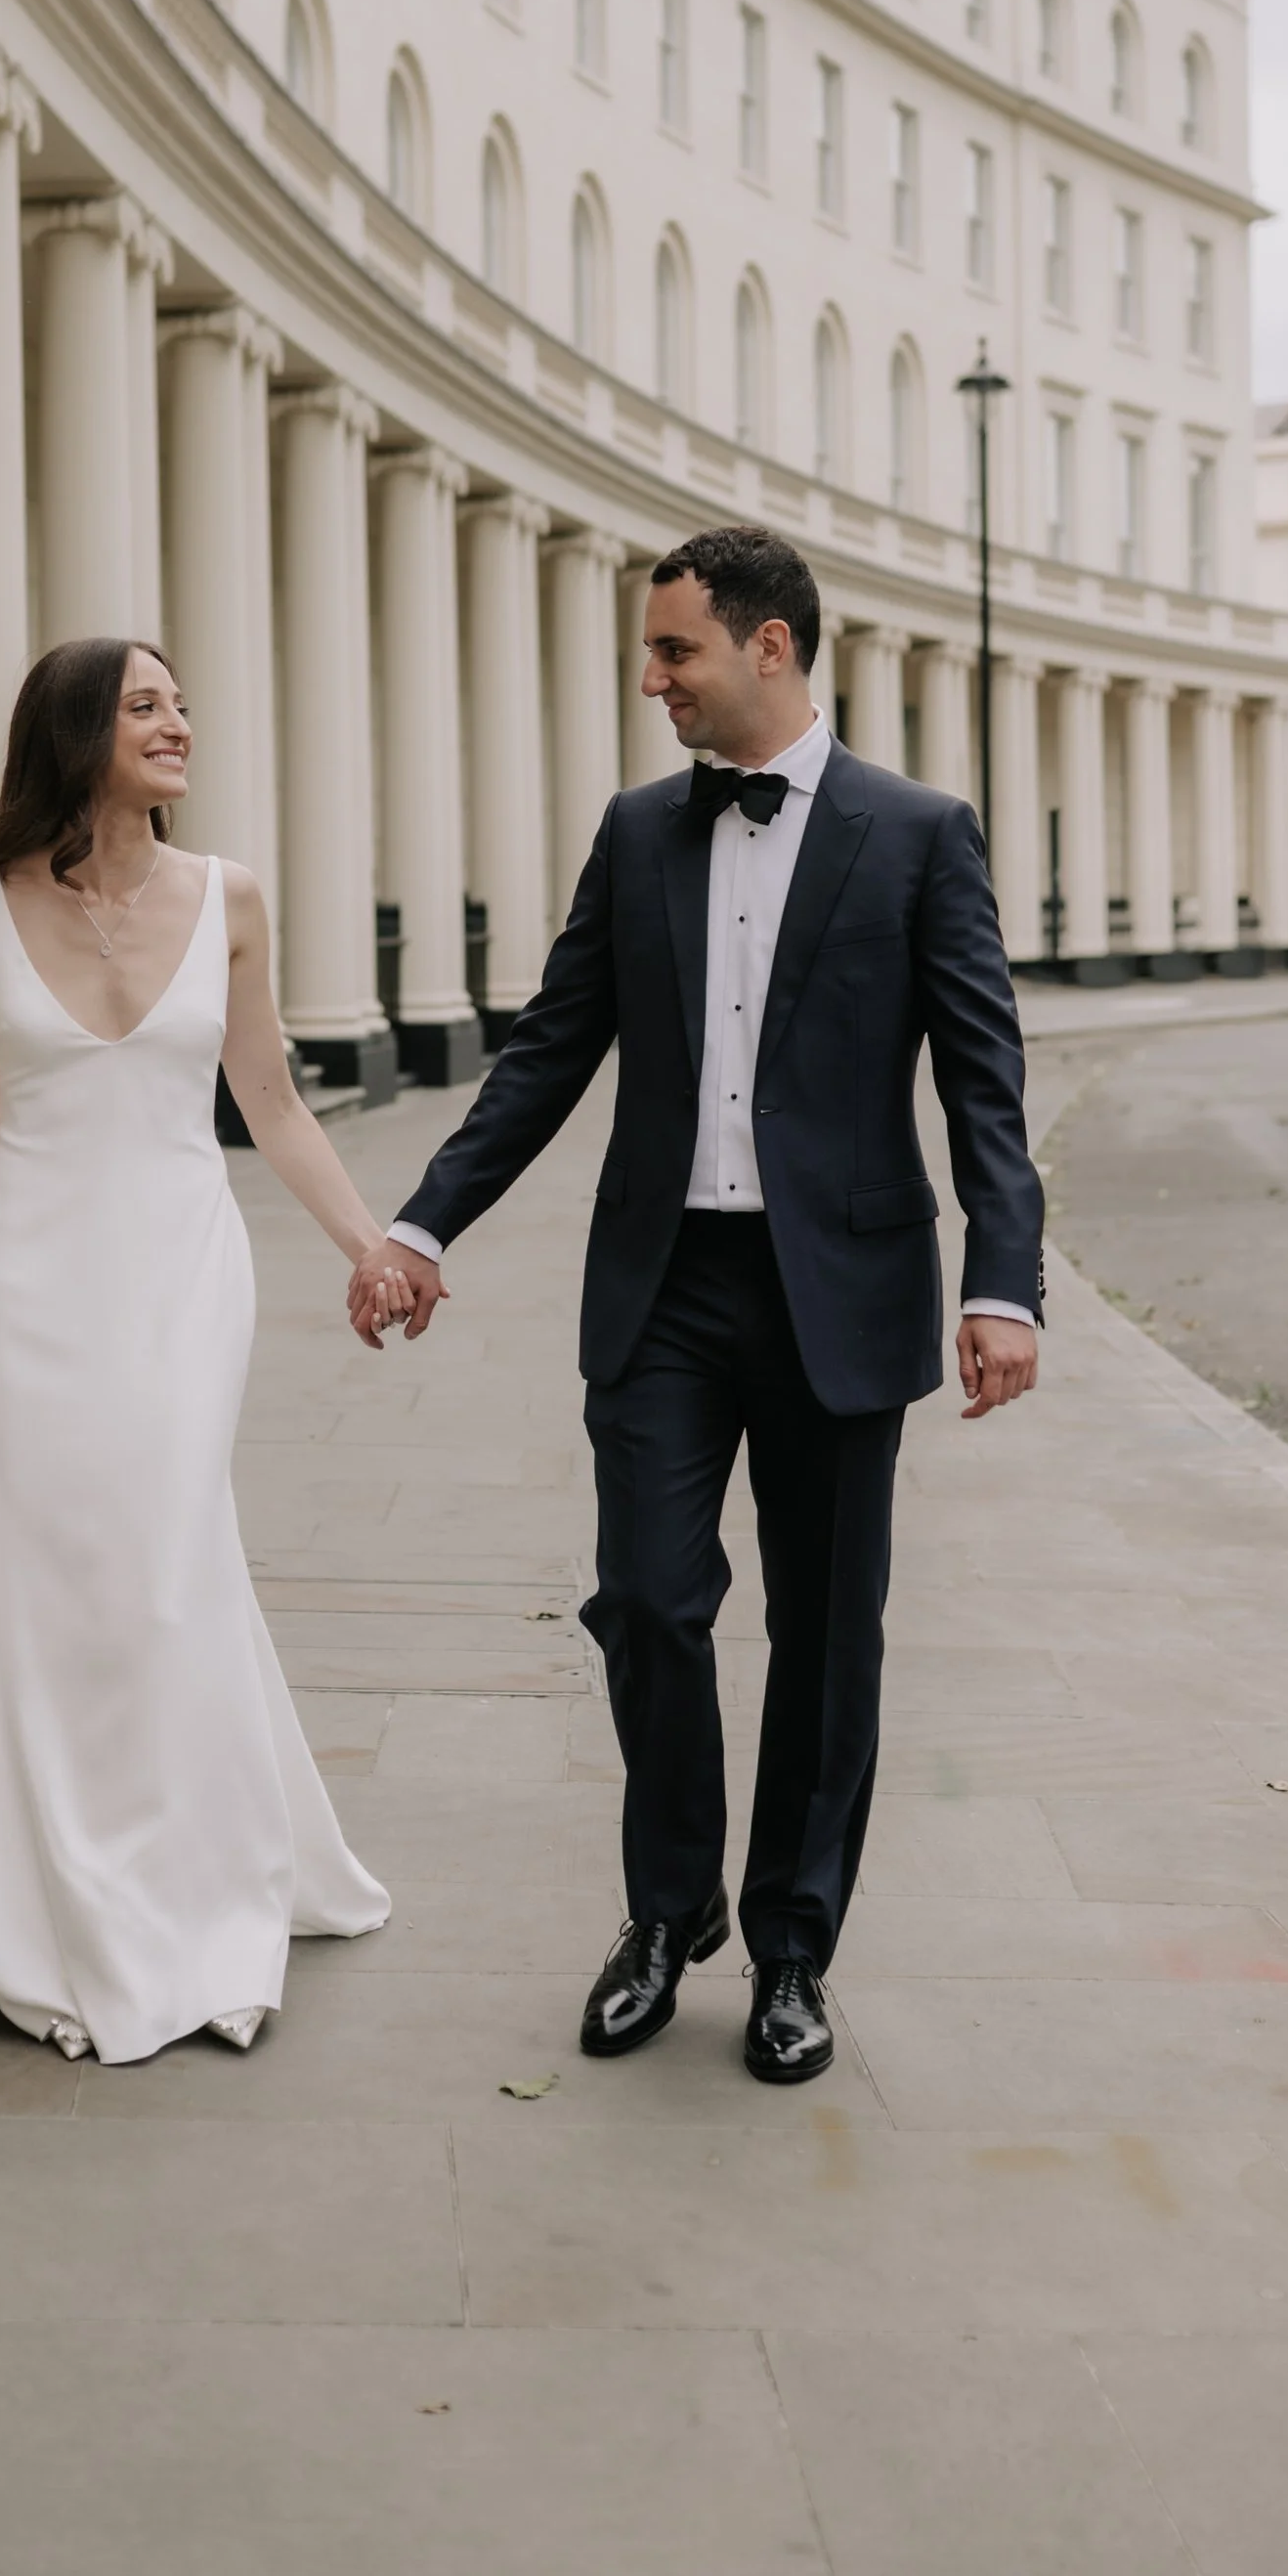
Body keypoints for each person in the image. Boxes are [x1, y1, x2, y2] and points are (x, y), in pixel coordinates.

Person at [347, 525, 1043, 2086]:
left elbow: (985, 1083)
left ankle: (794, 1950)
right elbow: (547, 1049)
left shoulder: (921, 833)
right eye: (652, 654)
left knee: (824, 1634)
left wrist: (1004, 1281)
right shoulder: (640, 830)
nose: (651, 678)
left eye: (675, 652)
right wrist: (420, 1225)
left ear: (771, 647)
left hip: (840, 1293)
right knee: (650, 1602)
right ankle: (667, 1915)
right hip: (663, 1286)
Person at [0, 634, 396, 2065]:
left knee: (167, 1554)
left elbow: (275, 1102)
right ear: (77, 733)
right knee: (52, 1571)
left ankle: (188, 1878)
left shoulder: (227, 896)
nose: (180, 722)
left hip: (183, 1269)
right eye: (146, 705)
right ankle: (53, 1885)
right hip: (27, 1280)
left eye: (181, 703)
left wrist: (371, 1242)